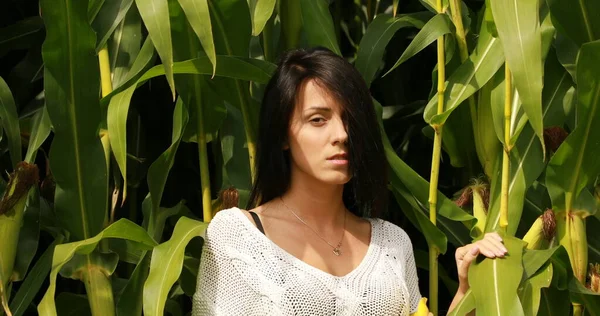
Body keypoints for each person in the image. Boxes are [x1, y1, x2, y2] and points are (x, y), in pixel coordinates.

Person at [192, 47, 507, 315]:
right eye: (318, 120)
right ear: (282, 133)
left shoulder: (392, 245)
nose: (341, 135)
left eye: (350, 120)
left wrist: (469, 288)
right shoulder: (238, 237)